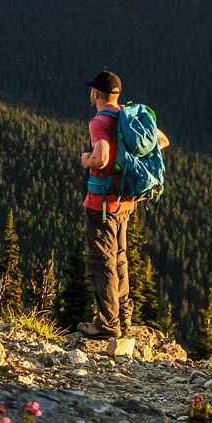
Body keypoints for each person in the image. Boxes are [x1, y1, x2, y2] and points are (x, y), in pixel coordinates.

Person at [77, 70, 169, 340]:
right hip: (125, 201)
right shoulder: (128, 117)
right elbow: (162, 141)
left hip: (101, 203)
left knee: (100, 261)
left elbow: (101, 158)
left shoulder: (100, 121)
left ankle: (107, 323)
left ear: (95, 93)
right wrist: (130, 159)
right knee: (119, 259)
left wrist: (87, 159)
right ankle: (124, 318)